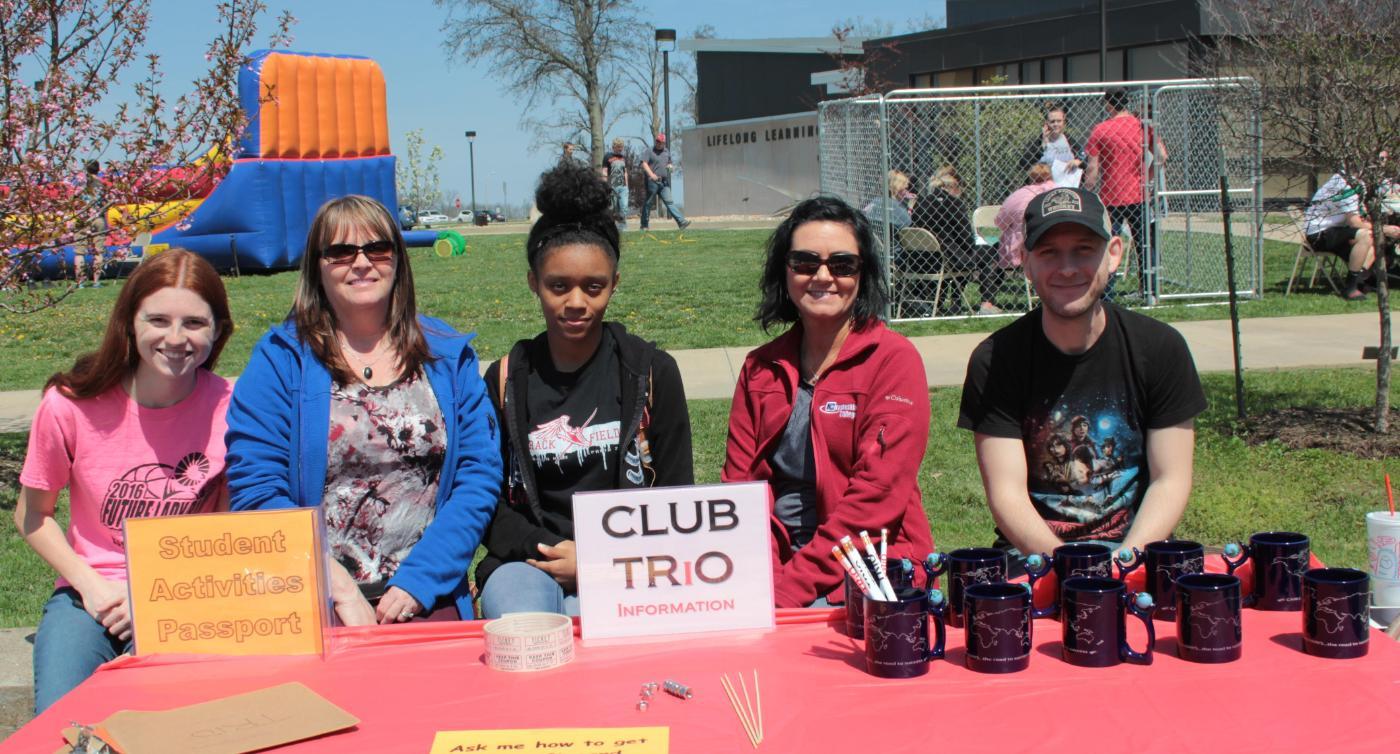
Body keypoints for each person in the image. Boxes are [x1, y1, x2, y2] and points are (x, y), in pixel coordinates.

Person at [225, 195, 501, 626]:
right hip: (314, 596)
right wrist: (335, 587)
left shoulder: (447, 356)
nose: (361, 262)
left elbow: (478, 477)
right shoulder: (281, 360)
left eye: (377, 248)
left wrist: (419, 582)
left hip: (424, 593)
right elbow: (257, 492)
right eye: (340, 251)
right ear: (317, 265)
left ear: (398, 259)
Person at [15, 248, 235, 713]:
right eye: (158, 319)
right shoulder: (69, 405)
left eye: (194, 323)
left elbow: (226, 527)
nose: (175, 338)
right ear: (129, 322)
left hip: (191, 593)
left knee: (184, 717)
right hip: (89, 593)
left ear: (217, 330)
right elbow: (33, 516)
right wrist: (92, 587)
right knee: (63, 725)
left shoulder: (232, 408)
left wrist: (162, 602)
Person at [475, 164, 694, 618]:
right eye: (559, 286)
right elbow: (486, 501)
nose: (576, 302)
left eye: (593, 287)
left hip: (630, 562)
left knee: (597, 632)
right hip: (530, 559)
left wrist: (599, 560)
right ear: (533, 282)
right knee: (524, 627)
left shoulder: (652, 373)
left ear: (614, 284)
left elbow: (676, 499)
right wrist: (557, 551)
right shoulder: (505, 378)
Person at [957, 186, 1205, 570]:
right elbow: (1007, 495)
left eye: (1084, 249)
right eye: (1049, 252)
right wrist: (1071, 569)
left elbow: (1169, 481)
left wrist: (1125, 563)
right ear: (1025, 261)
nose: (1068, 267)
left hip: (1138, 549)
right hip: (1032, 555)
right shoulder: (995, 361)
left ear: (1115, 254)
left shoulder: (1160, 349)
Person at [723, 195, 933, 608]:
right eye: (805, 262)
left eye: (842, 264)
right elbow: (741, 491)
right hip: (775, 570)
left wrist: (787, 592)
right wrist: (764, 580)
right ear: (784, 271)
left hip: (867, 570)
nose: (823, 276)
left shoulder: (892, 360)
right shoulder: (760, 368)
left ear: (862, 273)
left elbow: (875, 499)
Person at [1084, 89, 1168, 298]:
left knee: (1109, 244)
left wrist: (1087, 189)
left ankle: (1107, 293)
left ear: (1108, 105)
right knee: (1144, 243)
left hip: (1110, 198)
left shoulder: (1101, 129)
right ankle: (1149, 291)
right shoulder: (1141, 127)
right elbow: (1162, 156)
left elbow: (1093, 168)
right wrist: (1146, 177)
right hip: (1138, 195)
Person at [911, 165, 1004, 315]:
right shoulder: (954, 204)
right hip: (950, 258)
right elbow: (967, 240)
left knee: (967, 254)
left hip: (923, 258)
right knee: (991, 253)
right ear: (953, 187)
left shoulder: (921, 203)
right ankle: (987, 303)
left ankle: (953, 301)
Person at [1304, 171, 1399, 300]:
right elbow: (1355, 222)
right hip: (1319, 234)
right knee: (1367, 235)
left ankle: (1362, 281)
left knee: (1374, 236)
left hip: (1337, 229)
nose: (1381, 167)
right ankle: (1350, 287)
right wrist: (1384, 229)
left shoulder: (1357, 183)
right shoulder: (1346, 185)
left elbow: (1361, 216)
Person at [994, 163, 1057, 269]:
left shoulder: (1019, 195)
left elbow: (1000, 223)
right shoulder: (1061, 192)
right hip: (1056, 247)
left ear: (1030, 177)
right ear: (1051, 176)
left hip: (1020, 252)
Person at [1017, 104, 1086, 186]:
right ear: (1046, 124)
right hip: (1044, 188)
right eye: (1052, 121)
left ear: (1064, 122)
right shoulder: (1039, 142)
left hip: (1068, 185)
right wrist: (1043, 145)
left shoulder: (1069, 140)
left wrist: (1078, 161)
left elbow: (1085, 158)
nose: (1056, 124)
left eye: (1059, 121)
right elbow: (1023, 164)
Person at [639, 133, 690, 231]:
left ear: (664, 143)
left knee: (669, 202)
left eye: (660, 142)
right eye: (657, 141)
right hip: (652, 182)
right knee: (648, 203)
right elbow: (644, 164)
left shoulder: (667, 151)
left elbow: (669, 163)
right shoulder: (649, 151)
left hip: (664, 182)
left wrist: (670, 167)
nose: (658, 143)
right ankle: (644, 225)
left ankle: (681, 222)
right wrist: (651, 175)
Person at [603, 138, 629, 231]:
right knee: (612, 209)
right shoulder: (607, 157)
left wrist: (627, 185)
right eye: (618, 147)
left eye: (621, 147)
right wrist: (605, 185)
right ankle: (611, 228)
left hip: (623, 187)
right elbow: (605, 172)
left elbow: (625, 171)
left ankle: (623, 228)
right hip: (612, 187)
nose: (620, 149)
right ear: (614, 147)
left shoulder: (623, 158)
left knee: (624, 207)